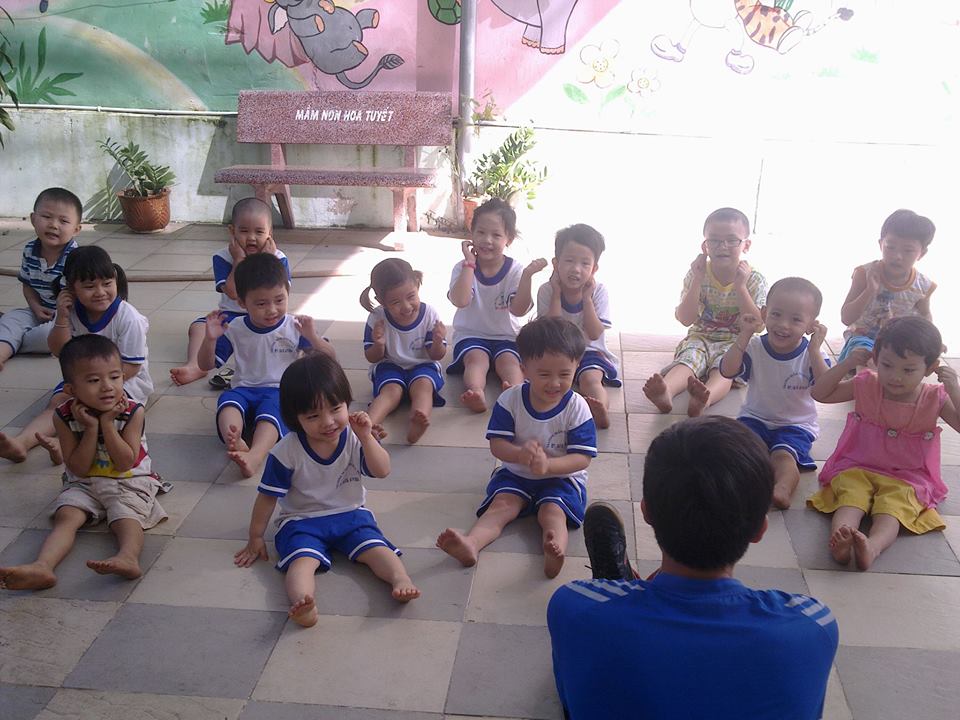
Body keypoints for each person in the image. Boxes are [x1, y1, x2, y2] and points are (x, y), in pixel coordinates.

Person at [548, 417, 839, 719]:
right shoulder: (813, 626)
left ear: (646, 512)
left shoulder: (573, 605)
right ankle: (629, 586)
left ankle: (623, 585)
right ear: (759, 530)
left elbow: (571, 696)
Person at [235, 353, 419, 628]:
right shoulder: (285, 452)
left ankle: (400, 579)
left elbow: (382, 470)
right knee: (301, 562)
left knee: (378, 550)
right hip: (302, 521)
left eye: (336, 409)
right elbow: (267, 497)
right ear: (294, 418)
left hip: (351, 515)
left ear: (347, 402)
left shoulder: (355, 437)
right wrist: (256, 536)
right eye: (313, 416)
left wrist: (367, 437)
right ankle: (303, 603)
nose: (328, 421)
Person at [0, 336, 166, 591]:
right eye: (93, 380)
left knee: (125, 516)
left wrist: (107, 425)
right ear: (71, 389)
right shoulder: (63, 416)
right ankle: (42, 566)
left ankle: (128, 557)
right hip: (84, 482)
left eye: (114, 377)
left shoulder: (133, 411)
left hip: (129, 480)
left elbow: (125, 462)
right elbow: (77, 468)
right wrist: (90, 429)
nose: (107, 387)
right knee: (66, 517)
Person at [437, 317, 597, 578]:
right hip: (516, 474)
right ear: (524, 369)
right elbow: (497, 445)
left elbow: (582, 458)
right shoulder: (510, 400)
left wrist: (549, 466)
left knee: (552, 512)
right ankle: (472, 543)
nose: (554, 383)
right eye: (544, 374)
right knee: (502, 505)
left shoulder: (577, 407)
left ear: (577, 366)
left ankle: (554, 549)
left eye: (564, 374)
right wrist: (520, 455)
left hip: (561, 478)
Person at [809, 316, 960, 570]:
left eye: (908, 370)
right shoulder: (866, 383)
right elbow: (820, 394)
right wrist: (846, 363)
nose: (895, 377)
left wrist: (954, 389)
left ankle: (873, 546)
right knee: (850, 496)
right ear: (876, 358)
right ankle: (841, 539)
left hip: (908, 476)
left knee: (892, 508)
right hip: (857, 465)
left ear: (930, 367)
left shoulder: (935, 397)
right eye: (887, 365)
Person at [0, 246, 150, 465]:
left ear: (115, 280)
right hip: (84, 379)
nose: (100, 292)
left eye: (107, 284)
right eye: (89, 286)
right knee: (59, 404)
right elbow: (58, 350)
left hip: (124, 381)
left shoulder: (129, 318)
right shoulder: (70, 310)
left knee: (99, 409)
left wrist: (94, 386)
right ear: (71, 288)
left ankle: (65, 448)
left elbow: (132, 367)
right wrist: (61, 317)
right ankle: (21, 443)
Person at [198, 253, 333, 478]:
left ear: (288, 292)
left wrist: (313, 337)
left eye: (279, 300)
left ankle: (255, 455)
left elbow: (329, 358)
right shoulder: (235, 327)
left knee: (272, 411)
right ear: (242, 303)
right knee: (228, 402)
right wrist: (210, 340)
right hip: (243, 390)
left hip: (281, 391)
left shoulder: (294, 326)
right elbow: (205, 364)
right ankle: (234, 438)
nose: (272, 310)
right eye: (261, 304)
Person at [643, 207, 767, 417]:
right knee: (688, 360)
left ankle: (705, 398)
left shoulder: (754, 279)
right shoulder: (697, 273)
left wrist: (741, 287)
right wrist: (697, 280)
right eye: (714, 240)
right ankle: (666, 392)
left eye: (731, 240)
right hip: (700, 336)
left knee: (724, 369)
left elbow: (757, 324)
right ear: (705, 245)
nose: (722, 246)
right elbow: (686, 319)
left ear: (746, 245)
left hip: (737, 341)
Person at [719, 277, 830, 508]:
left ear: (811, 325)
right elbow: (727, 371)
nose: (783, 325)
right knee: (743, 451)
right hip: (754, 418)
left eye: (796, 319)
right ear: (764, 313)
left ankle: (782, 489)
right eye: (776, 314)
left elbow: (824, 388)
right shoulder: (754, 346)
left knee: (783, 456)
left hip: (796, 425)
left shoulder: (812, 354)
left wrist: (815, 350)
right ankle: (744, 487)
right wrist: (744, 335)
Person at [170, 197, 290, 387]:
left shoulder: (278, 258)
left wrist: (267, 260)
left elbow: (282, 294)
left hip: (267, 315)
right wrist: (239, 260)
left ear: (270, 233)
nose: (251, 238)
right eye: (244, 231)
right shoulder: (223, 257)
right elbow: (233, 293)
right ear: (232, 231)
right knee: (199, 327)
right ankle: (196, 366)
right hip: (231, 315)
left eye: (259, 232)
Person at [447, 198, 546, 413]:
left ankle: (514, 393)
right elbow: (461, 300)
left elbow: (518, 310)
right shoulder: (463, 268)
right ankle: (476, 392)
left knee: (509, 363)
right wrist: (469, 264)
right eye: (481, 232)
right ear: (471, 233)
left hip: (506, 336)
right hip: (471, 334)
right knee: (476, 361)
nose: (487, 240)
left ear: (509, 239)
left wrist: (527, 276)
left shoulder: (515, 270)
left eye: (496, 235)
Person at [536, 224, 619, 429]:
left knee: (591, 381)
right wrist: (557, 295)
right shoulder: (546, 291)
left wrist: (587, 299)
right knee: (545, 380)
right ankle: (549, 413)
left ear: (594, 269)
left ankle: (600, 409)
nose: (576, 269)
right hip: (556, 352)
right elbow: (551, 333)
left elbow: (594, 333)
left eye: (584, 263)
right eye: (569, 261)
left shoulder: (599, 292)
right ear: (556, 263)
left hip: (589, 351)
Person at [361, 258, 447, 444]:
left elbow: (436, 355)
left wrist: (438, 341)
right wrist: (379, 344)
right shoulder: (376, 318)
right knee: (390, 391)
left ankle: (418, 420)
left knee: (423, 386)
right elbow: (371, 357)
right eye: (395, 302)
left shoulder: (429, 314)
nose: (406, 307)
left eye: (411, 296)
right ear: (381, 301)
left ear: (417, 285)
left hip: (423, 365)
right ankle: (368, 426)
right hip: (390, 366)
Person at [837, 208, 936, 363]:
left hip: (899, 344)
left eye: (908, 250)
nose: (897, 256)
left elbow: (925, 318)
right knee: (869, 361)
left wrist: (933, 342)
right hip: (862, 339)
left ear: (922, 253)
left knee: (915, 362)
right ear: (880, 244)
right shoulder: (864, 274)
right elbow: (846, 318)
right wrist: (870, 290)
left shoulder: (923, 286)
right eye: (890, 247)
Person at [0, 187, 81, 371]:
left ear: (76, 229)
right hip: (40, 311)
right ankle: (3, 352)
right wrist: (35, 307)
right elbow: (27, 285)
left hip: (68, 318)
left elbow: (81, 296)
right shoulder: (30, 250)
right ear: (33, 219)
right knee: (12, 318)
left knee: (47, 336)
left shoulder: (76, 257)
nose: (53, 225)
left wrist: (62, 316)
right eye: (46, 217)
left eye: (63, 221)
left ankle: (12, 341)